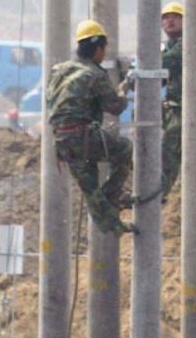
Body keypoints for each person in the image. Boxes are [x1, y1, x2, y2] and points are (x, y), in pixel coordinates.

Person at [47, 20, 135, 235]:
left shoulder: (59, 70)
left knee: (90, 187)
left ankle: (114, 227)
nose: (103, 56)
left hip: (61, 140)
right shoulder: (95, 74)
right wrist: (125, 87)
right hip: (82, 135)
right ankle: (111, 196)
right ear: (98, 48)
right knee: (124, 148)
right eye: (103, 50)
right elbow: (114, 106)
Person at [159, 2, 184, 197]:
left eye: (175, 17)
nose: (170, 20)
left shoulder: (185, 45)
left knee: (169, 151)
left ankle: (163, 194)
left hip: (186, 108)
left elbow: (167, 64)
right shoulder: (169, 46)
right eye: (166, 17)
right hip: (174, 108)